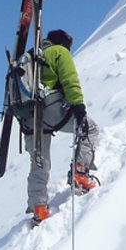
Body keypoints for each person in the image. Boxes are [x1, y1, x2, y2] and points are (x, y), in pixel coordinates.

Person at [23, 29, 98, 223]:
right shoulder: (59, 52)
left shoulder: (30, 58)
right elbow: (69, 79)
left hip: (28, 117)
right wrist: (78, 105)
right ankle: (80, 173)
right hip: (51, 108)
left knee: (39, 161)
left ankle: (39, 207)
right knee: (89, 128)